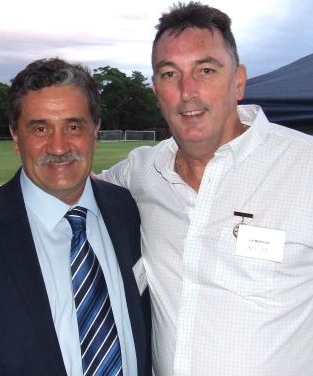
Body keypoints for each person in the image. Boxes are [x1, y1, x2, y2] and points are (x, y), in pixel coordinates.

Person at [99, 2, 313, 375]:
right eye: (169, 74)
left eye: (206, 70)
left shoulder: (303, 167)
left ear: (239, 81)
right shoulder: (141, 171)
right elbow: (68, 188)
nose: (187, 92)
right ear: (155, 90)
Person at [0, 58, 151, 375]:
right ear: (16, 136)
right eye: (40, 128)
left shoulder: (127, 211)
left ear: (95, 129)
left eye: (73, 126)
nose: (58, 146)